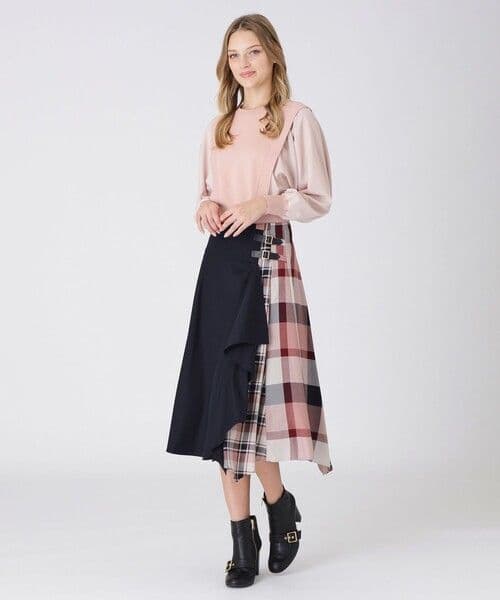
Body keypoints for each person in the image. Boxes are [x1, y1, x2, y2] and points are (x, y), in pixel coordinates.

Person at [166, 13, 334, 587]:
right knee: (223, 405)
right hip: (221, 267)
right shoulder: (219, 127)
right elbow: (205, 194)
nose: (244, 63)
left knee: (251, 405)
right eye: (234, 54)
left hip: (268, 264)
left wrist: (266, 201)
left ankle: (278, 506)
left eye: (253, 52)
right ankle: (244, 536)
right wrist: (206, 207)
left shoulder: (296, 120)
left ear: (273, 56)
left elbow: (318, 198)